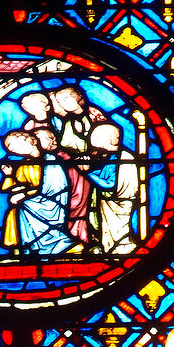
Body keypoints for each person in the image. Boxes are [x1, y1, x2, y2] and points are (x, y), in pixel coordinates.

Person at [0, 130, 76, 255]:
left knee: (22, 206)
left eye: (19, 146)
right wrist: (8, 176)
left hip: (52, 203)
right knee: (15, 210)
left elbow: (55, 188)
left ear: (33, 141)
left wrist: (24, 195)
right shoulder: (24, 166)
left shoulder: (51, 161)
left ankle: (50, 244)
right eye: (14, 150)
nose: (18, 151)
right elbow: (12, 187)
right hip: (33, 201)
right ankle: (23, 249)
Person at [50, 86, 105, 243]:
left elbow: (109, 138)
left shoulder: (94, 115)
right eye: (61, 101)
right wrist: (75, 159)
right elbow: (66, 147)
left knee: (96, 204)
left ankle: (95, 238)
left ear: (78, 97)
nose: (63, 103)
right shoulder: (68, 121)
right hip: (76, 171)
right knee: (75, 204)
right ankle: (80, 237)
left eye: (66, 99)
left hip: (100, 169)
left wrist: (92, 157)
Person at [87, 121, 141, 254]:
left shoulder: (124, 158)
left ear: (110, 140)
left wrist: (87, 173)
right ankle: (112, 250)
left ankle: (121, 250)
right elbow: (103, 175)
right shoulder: (113, 157)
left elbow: (109, 185)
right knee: (109, 235)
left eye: (100, 142)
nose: (99, 147)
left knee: (119, 234)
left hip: (119, 204)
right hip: (109, 204)